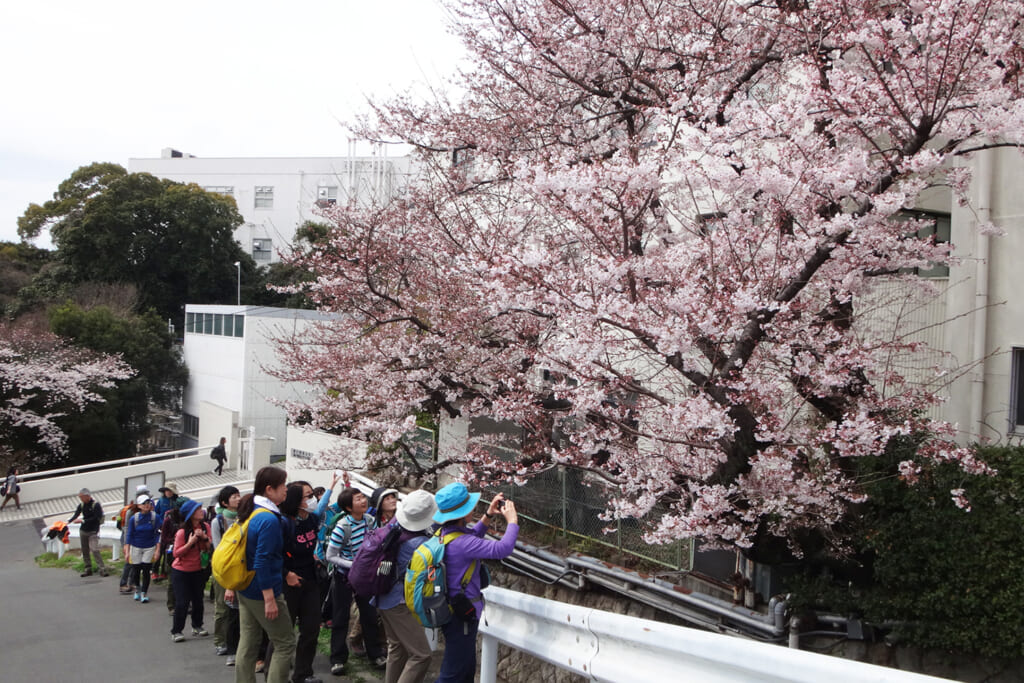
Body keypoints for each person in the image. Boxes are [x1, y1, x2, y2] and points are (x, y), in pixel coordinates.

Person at [432, 483, 519, 683]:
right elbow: (503, 549)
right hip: (462, 614)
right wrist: (512, 521)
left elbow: (472, 539)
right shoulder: (463, 543)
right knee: (453, 673)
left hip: (452, 608)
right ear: (464, 513)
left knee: (465, 670)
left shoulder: (445, 534)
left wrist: (488, 516)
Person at [232, 466, 296, 683]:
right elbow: (263, 560)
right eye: (283, 485)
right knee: (285, 643)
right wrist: (270, 598)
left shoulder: (250, 510)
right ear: (270, 489)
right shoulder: (268, 519)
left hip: (245, 585)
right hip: (263, 589)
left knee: (248, 641)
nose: (286, 490)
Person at [378, 490, 437, 683]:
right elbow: (433, 569)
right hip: (399, 602)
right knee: (421, 655)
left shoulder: (394, 528)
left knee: (397, 649)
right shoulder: (420, 544)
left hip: (382, 594)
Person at [326, 487, 386, 675]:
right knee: (340, 617)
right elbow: (331, 555)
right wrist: (354, 565)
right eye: (357, 499)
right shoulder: (343, 527)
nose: (363, 501)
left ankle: (375, 654)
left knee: (369, 615)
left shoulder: (369, 521)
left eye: (362, 497)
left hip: (364, 577)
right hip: (344, 576)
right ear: (348, 507)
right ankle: (337, 659)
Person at [279, 481, 329, 683]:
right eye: (307, 497)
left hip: (310, 580)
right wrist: (286, 574)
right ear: (295, 501)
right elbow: (269, 556)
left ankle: (303, 674)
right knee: (283, 635)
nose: (312, 500)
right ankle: (275, 675)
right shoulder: (283, 523)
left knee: (311, 630)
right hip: (288, 583)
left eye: (313, 495)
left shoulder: (311, 520)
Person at [171, 499, 212, 642]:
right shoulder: (182, 532)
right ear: (190, 514)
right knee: (182, 602)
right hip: (181, 571)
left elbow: (209, 547)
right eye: (197, 509)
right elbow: (176, 553)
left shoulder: (205, 526)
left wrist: (204, 538)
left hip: (198, 569)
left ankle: (197, 625)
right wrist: (191, 542)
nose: (201, 511)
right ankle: (177, 630)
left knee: (198, 600)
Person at [212, 485, 242, 665]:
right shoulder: (219, 521)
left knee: (237, 610)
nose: (238, 499)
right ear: (224, 502)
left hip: (241, 570)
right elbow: (218, 548)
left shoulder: (242, 518)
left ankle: (235, 644)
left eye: (239, 496)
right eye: (234, 497)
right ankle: (220, 641)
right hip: (223, 570)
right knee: (223, 607)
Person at [124, 495, 160, 603]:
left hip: (149, 547)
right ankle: (137, 590)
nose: (147, 505)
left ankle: (144, 592)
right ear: (139, 505)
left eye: (148, 503)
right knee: (136, 570)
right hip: (136, 546)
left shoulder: (155, 517)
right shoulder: (134, 518)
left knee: (146, 570)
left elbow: (158, 534)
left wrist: (157, 549)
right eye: (144, 503)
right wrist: (127, 550)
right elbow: (129, 534)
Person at [67, 488, 108, 577]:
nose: (81, 499)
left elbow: (97, 517)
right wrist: (68, 522)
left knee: (94, 549)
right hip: (83, 530)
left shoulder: (96, 505)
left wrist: (83, 521)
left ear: (87, 496)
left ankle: (102, 569)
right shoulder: (81, 505)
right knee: (85, 550)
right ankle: (88, 569)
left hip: (93, 531)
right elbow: (76, 514)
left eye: (82, 497)